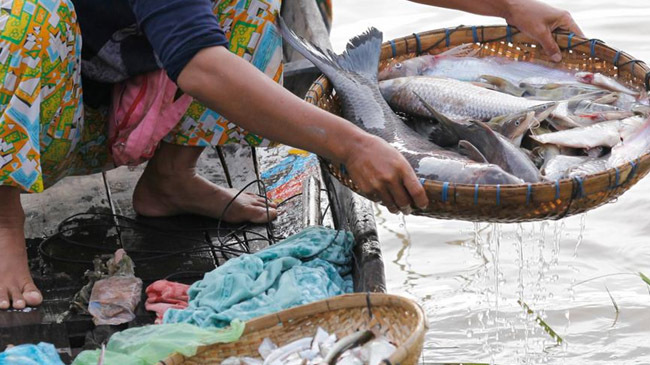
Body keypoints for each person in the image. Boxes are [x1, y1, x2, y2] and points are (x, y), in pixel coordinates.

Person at [0, 0, 583, 310]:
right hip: (39, 115)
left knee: (254, 0)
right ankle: (4, 218)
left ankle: (170, 179)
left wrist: (510, 5)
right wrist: (349, 141)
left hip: (123, 86)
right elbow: (200, 63)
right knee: (18, 12)